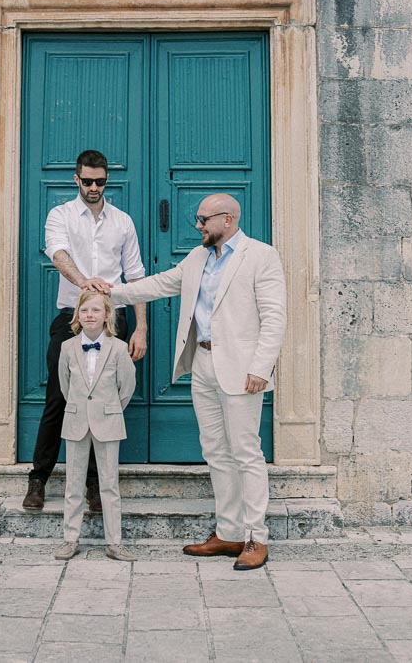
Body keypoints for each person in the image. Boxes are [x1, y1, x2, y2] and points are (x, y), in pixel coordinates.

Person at [104, 194, 285, 571]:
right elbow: (157, 285)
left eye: (203, 220)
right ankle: (229, 532)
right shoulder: (198, 257)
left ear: (228, 220)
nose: (198, 225)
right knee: (216, 451)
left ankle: (256, 537)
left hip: (241, 369)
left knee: (246, 452)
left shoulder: (261, 256)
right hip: (202, 362)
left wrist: (261, 367)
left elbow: (274, 317)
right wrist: (109, 292)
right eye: (197, 220)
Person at [24, 149, 148, 512]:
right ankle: (38, 479)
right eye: (88, 181)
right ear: (76, 180)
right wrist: (86, 285)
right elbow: (58, 254)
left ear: (107, 181)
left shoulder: (122, 221)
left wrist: (140, 328)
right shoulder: (60, 215)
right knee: (58, 397)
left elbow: (135, 275)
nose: (94, 187)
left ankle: (96, 485)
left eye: (101, 182)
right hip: (71, 315)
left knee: (104, 401)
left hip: (114, 319)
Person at [53, 289, 137, 562]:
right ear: (78, 314)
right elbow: (65, 385)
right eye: (85, 310)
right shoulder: (67, 348)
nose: (90, 315)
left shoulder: (119, 348)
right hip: (76, 420)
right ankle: (70, 539)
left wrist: (109, 409)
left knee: (109, 485)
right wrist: (82, 406)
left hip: (108, 420)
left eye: (96, 310)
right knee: (73, 484)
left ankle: (115, 543)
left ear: (106, 316)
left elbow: (126, 387)